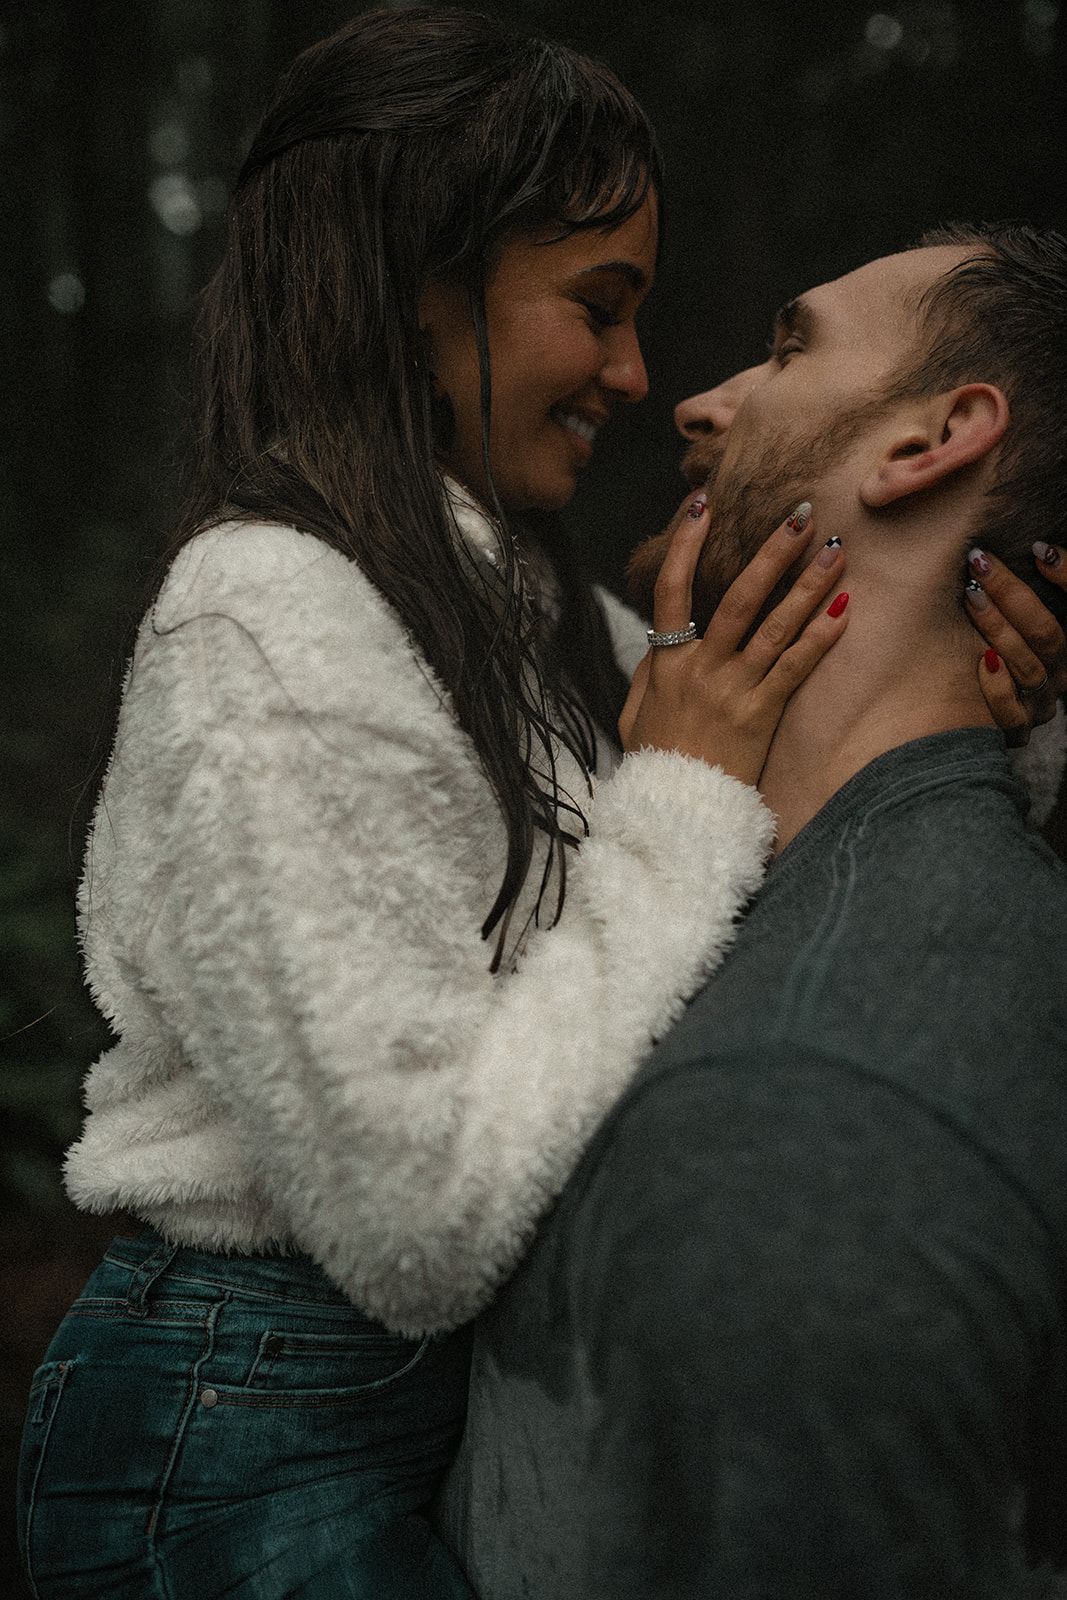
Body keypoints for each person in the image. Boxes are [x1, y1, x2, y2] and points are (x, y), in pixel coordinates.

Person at [15, 10, 872, 1598]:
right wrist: (677, 783)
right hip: (236, 1427)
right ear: (416, 282)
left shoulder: (507, 600)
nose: (633, 372)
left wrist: (1008, 725)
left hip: (419, 1404)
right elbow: (419, 1212)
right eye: (598, 308)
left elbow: (771, 773)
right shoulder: (263, 626)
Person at [436, 225, 1067, 1600]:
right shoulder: (917, 895)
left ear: (929, 443)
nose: (697, 399)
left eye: (790, 346)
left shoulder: (796, 1126)